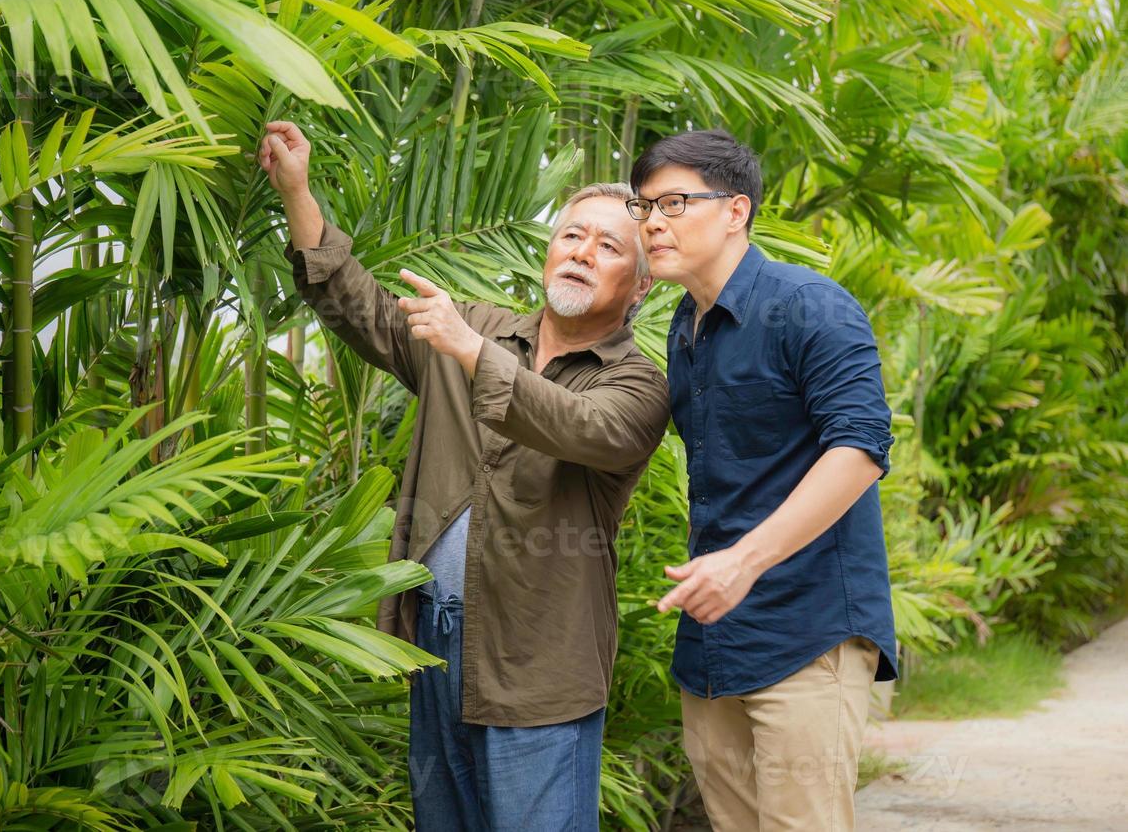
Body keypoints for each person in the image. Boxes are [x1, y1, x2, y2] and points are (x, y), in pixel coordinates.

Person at [259, 120, 670, 831]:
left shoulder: (637, 384)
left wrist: (473, 352)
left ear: (637, 287)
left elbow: (583, 429)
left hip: (538, 662)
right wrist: (296, 191)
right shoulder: (478, 327)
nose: (581, 253)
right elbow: (360, 310)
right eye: (572, 235)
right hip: (437, 645)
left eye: (608, 248)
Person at [628, 129, 897, 832]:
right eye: (644, 206)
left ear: (735, 210)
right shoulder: (684, 326)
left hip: (808, 630)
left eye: (675, 202)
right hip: (713, 639)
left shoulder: (810, 306)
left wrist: (743, 562)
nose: (652, 222)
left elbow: (860, 449)